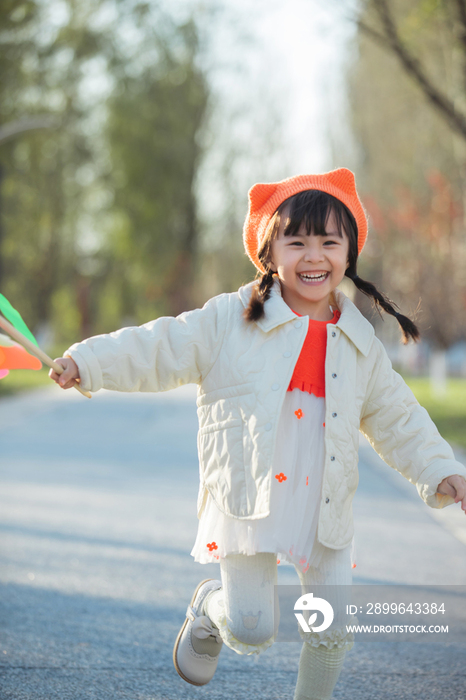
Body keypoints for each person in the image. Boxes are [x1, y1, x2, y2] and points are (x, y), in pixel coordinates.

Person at [49, 168, 466, 700]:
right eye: (296, 242)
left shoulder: (361, 345)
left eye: (329, 243)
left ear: (349, 252)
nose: (313, 256)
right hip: (250, 494)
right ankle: (209, 606)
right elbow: (161, 346)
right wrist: (87, 362)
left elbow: (398, 417)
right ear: (270, 253)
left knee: (331, 631)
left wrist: (442, 469)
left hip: (324, 501)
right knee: (251, 628)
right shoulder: (231, 319)